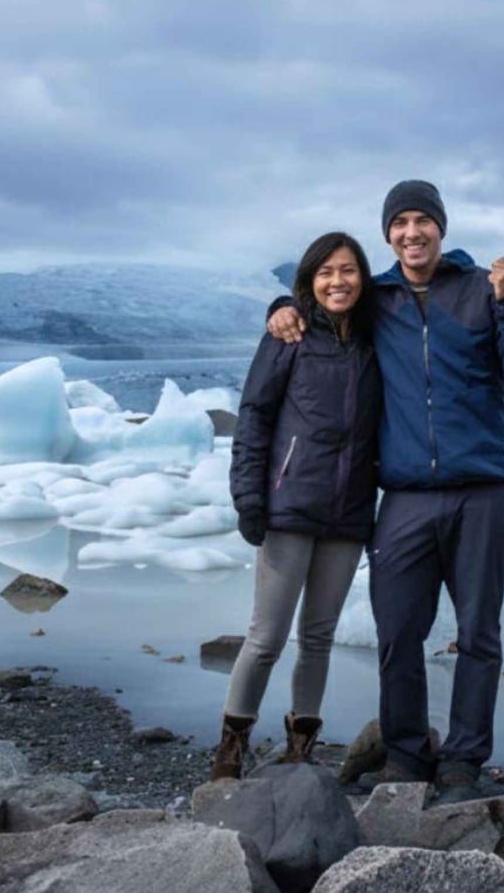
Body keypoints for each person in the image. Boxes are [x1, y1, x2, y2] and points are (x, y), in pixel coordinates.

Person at [267, 180, 504, 801]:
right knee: (398, 631)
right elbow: (326, 297)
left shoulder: (481, 291)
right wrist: (279, 307)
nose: (411, 233)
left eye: (423, 221)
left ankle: (462, 761)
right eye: (400, 223)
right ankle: (404, 751)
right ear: (388, 233)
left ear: (441, 229)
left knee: (478, 633)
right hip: (405, 495)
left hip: (484, 488)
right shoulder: (378, 299)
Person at [213, 231, 382, 780]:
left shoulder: (375, 338)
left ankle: (300, 750)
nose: (339, 281)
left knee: (319, 637)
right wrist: (248, 497)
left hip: (348, 514)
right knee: (266, 638)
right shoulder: (290, 336)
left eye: (349, 270)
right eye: (327, 271)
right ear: (310, 280)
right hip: (289, 507)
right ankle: (231, 749)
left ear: (363, 277)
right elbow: (254, 417)